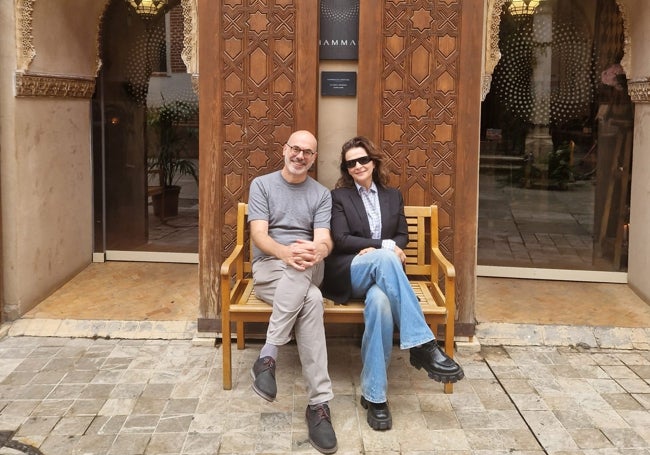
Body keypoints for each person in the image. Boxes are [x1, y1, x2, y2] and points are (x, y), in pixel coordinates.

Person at [321, 136, 464, 432]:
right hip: (349, 271)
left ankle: (375, 398)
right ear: (346, 169)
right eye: (351, 163)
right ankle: (423, 344)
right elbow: (342, 239)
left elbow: (403, 235)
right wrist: (382, 247)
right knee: (386, 259)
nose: (358, 166)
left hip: (381, 278)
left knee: (382, 305)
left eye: (362, 160)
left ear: (374, 162)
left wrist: (387, 247)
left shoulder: (392, 195)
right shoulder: (338, 198)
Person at [247, 130, 337, 454]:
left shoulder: (321, 194)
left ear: (314, 158)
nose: (300, 156)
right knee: (311, 300)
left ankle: (268, 356)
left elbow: (324, 238)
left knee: (303, 263)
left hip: (308, 265)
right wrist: (286, 253)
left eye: (307, 152)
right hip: (270, 268)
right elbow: (259, 235)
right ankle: (319, 405)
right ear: (284, 150)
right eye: (295, 149)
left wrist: (318, 251)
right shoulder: (262, 185)